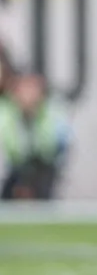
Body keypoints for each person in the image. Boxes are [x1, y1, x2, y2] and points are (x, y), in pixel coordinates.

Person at [0, 72, 71, 200]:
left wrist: (34, 116)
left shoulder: (51, 112)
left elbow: (50, 149)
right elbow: (13, 152)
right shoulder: (6, 112)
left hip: (43, 173)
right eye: (24, 89)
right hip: (14, 173)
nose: (28, 95)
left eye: (32, 89)